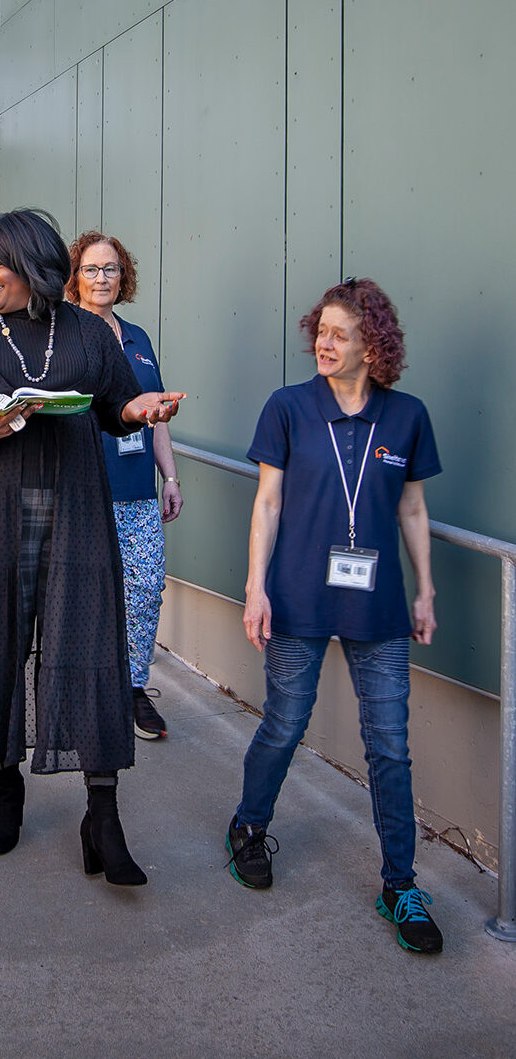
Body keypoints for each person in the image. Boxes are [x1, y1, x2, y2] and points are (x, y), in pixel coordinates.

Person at [0, 209, 182, 886]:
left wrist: (141, 410)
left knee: (88, 649)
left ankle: (103, 813)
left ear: (30, 262)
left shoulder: (88, 330)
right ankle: (7, 785)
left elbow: (116, 403)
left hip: (76, 514)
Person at [227, 277, 443, 953]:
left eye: (338, 334)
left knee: (388, 746)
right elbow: (266, 503)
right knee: (285, 724)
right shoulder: (288, 407)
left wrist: (424, 590)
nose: (322, 342)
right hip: (295, 596)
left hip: (376, 608)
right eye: (318, 330)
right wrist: (255, 586)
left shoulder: (406, 415)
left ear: (371, 345)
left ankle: (398, 884)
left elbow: (410, 508)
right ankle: (248, 826)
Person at [66, 231, 182, 740]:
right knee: (76, 596)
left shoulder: (138, 338)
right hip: (78, 490)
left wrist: (170, 476)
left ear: (123, 274)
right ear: (74, 277)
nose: (101, 278)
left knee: (144, 589)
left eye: (110, 268)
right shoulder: (63, 334)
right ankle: (77, 690)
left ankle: (132, 687)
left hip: (136, 489)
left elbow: (155, 414)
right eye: (91, 269)